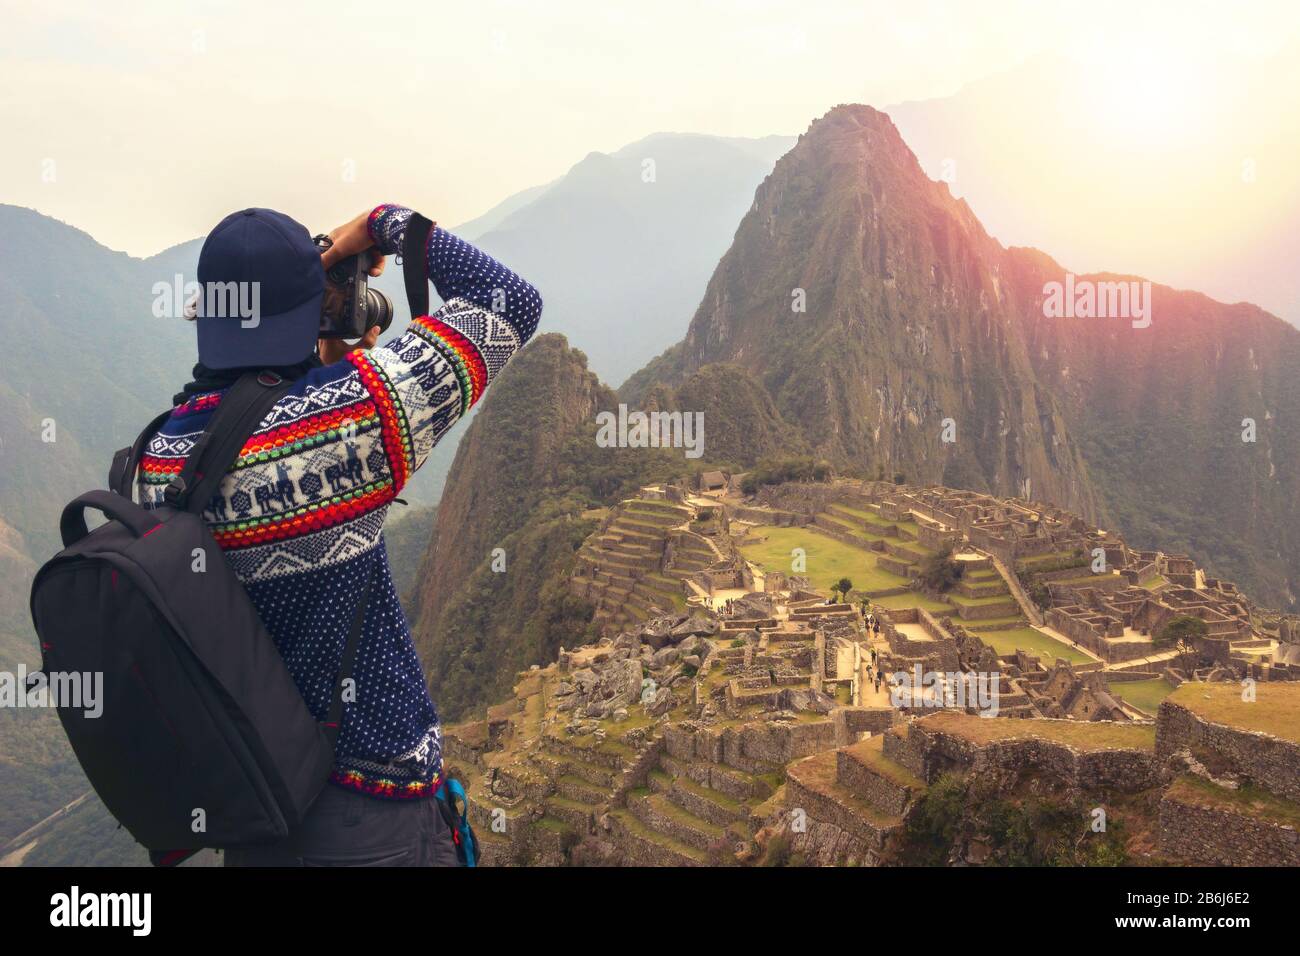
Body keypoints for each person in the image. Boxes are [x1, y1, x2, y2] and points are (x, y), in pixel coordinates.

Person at [136, 205, 541, 865]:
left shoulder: (152, 462)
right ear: (311, 313)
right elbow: (510, 304)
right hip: (372, 814)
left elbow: (227, 417)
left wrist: (314, 358)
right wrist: (383, 224)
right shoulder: (357, 415)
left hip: (257, 813)